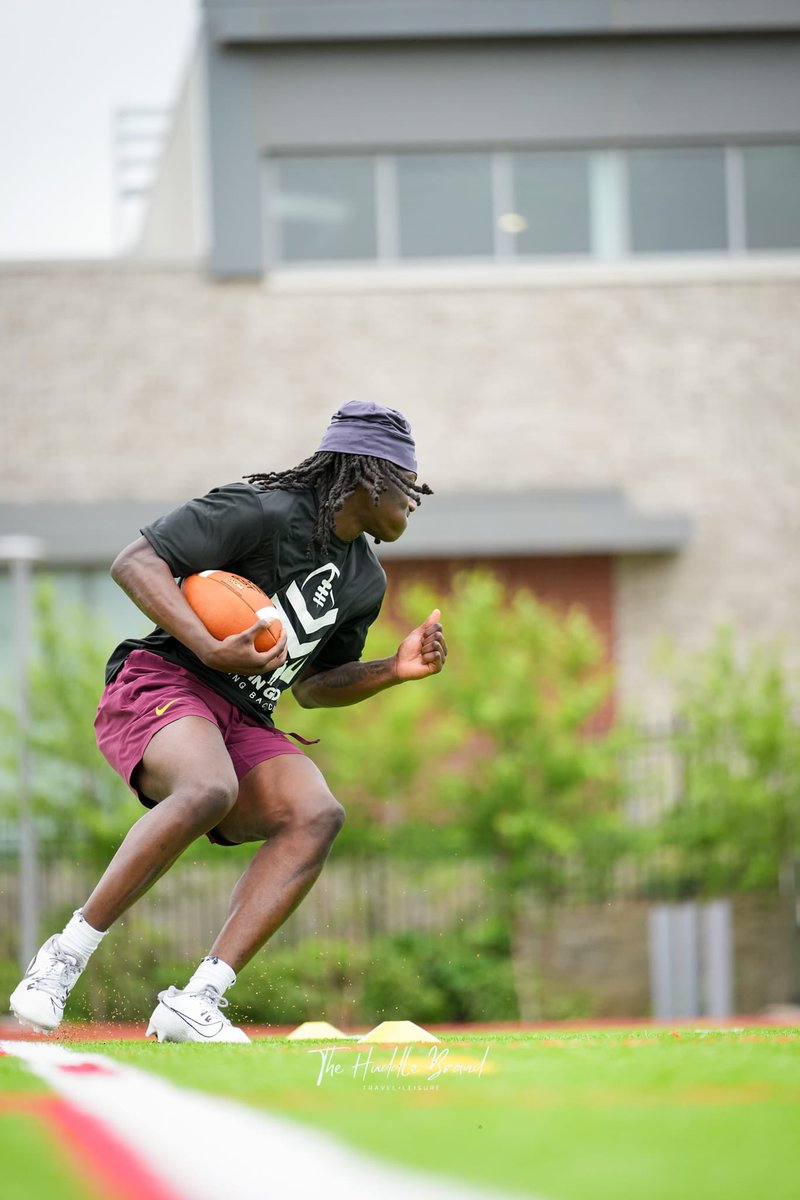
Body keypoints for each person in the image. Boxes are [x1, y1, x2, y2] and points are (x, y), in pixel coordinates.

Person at [10, 401, 447, 1042]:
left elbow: (315, 688)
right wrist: (210, 646)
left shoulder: (364, 581)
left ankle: (197, 1001)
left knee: (316, 814)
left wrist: (393, 669)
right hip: (165, 681)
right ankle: (61, 960)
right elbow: (135, 562)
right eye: (409, 482)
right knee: (209, 788)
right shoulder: (261, 509)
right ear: (371, 473)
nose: (414, 500)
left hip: (243, 713)